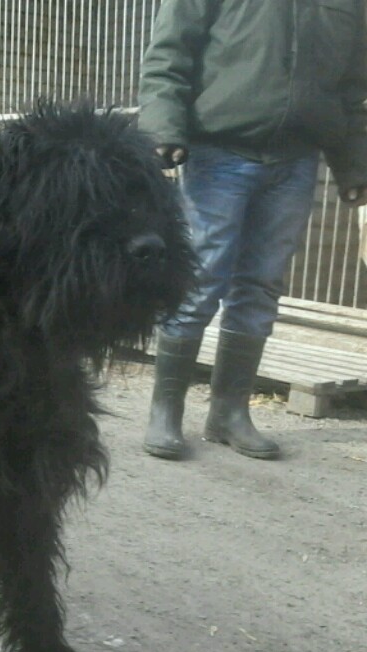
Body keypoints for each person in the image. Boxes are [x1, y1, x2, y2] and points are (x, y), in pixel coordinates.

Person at [137, 0, 367, 460]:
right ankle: (166, 411)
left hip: (296, 158)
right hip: (218, 150)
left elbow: (352, 89)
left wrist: (354, 167)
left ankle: (229, 413)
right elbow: (170, 53)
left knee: (262, 285)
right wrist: (163, 128)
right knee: (199, 279)